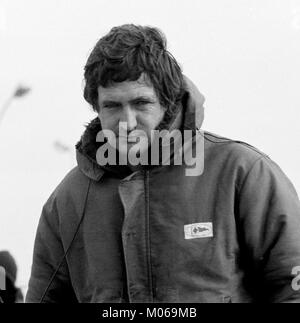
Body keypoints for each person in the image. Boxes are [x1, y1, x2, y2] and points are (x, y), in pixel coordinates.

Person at [26, 24, 300, 303]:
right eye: (112, 106)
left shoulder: (241, 172)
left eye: (141, 103)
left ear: (167, 103)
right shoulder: (68, 200)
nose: (127, 123)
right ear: (96, 107)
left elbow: (292, 288)